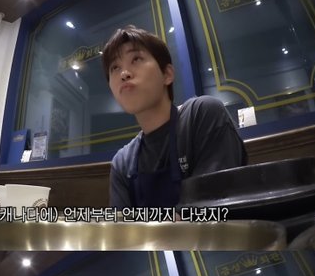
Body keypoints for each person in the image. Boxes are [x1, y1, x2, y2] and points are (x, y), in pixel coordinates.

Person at [101, 25, 247, 209]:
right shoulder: (122, 163)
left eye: (136, 59)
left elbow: (212, 206)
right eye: (115, 67)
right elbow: (121, 226)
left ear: (167, 74)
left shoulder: (202, 115)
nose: (124, 74)